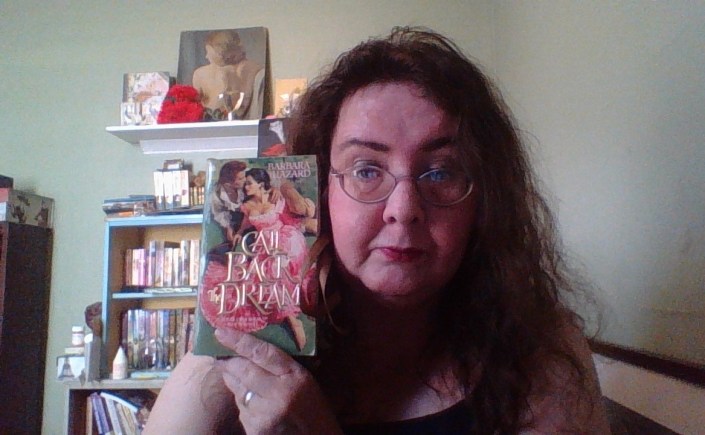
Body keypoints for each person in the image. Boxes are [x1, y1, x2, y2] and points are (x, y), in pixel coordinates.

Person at [145, 27, 610, 434]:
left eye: (441, 171)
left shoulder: (542, 352)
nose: (403, 211)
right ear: (319, 189)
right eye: (366, 170)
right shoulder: (235, 352)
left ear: (485, 199)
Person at [192, 29, 264, 119]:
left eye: (208, 51)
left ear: (220, 52)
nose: (206, 56)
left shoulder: (202, 73)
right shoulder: (255, 68)